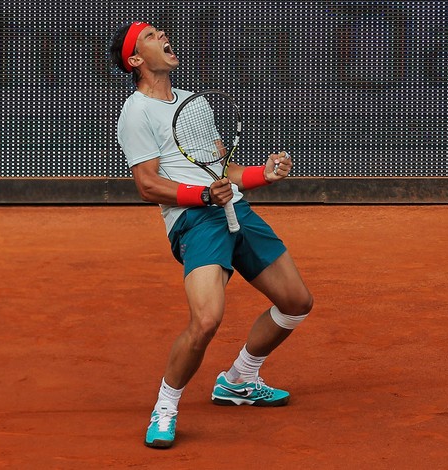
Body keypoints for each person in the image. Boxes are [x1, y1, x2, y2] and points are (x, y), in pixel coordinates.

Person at [109, 21, 313, 449]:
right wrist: (201, 195)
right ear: (135, 60)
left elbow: (224, 173)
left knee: (296, 302)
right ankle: (165, 405)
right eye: (149, 36)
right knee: (205, 320)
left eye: (160, 31)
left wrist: (264, 174)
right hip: (195, 221)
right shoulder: (136, 111)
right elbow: (147, 184)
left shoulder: (194, 104)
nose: (162, 36)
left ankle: (239, 378)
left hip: (234, 209)